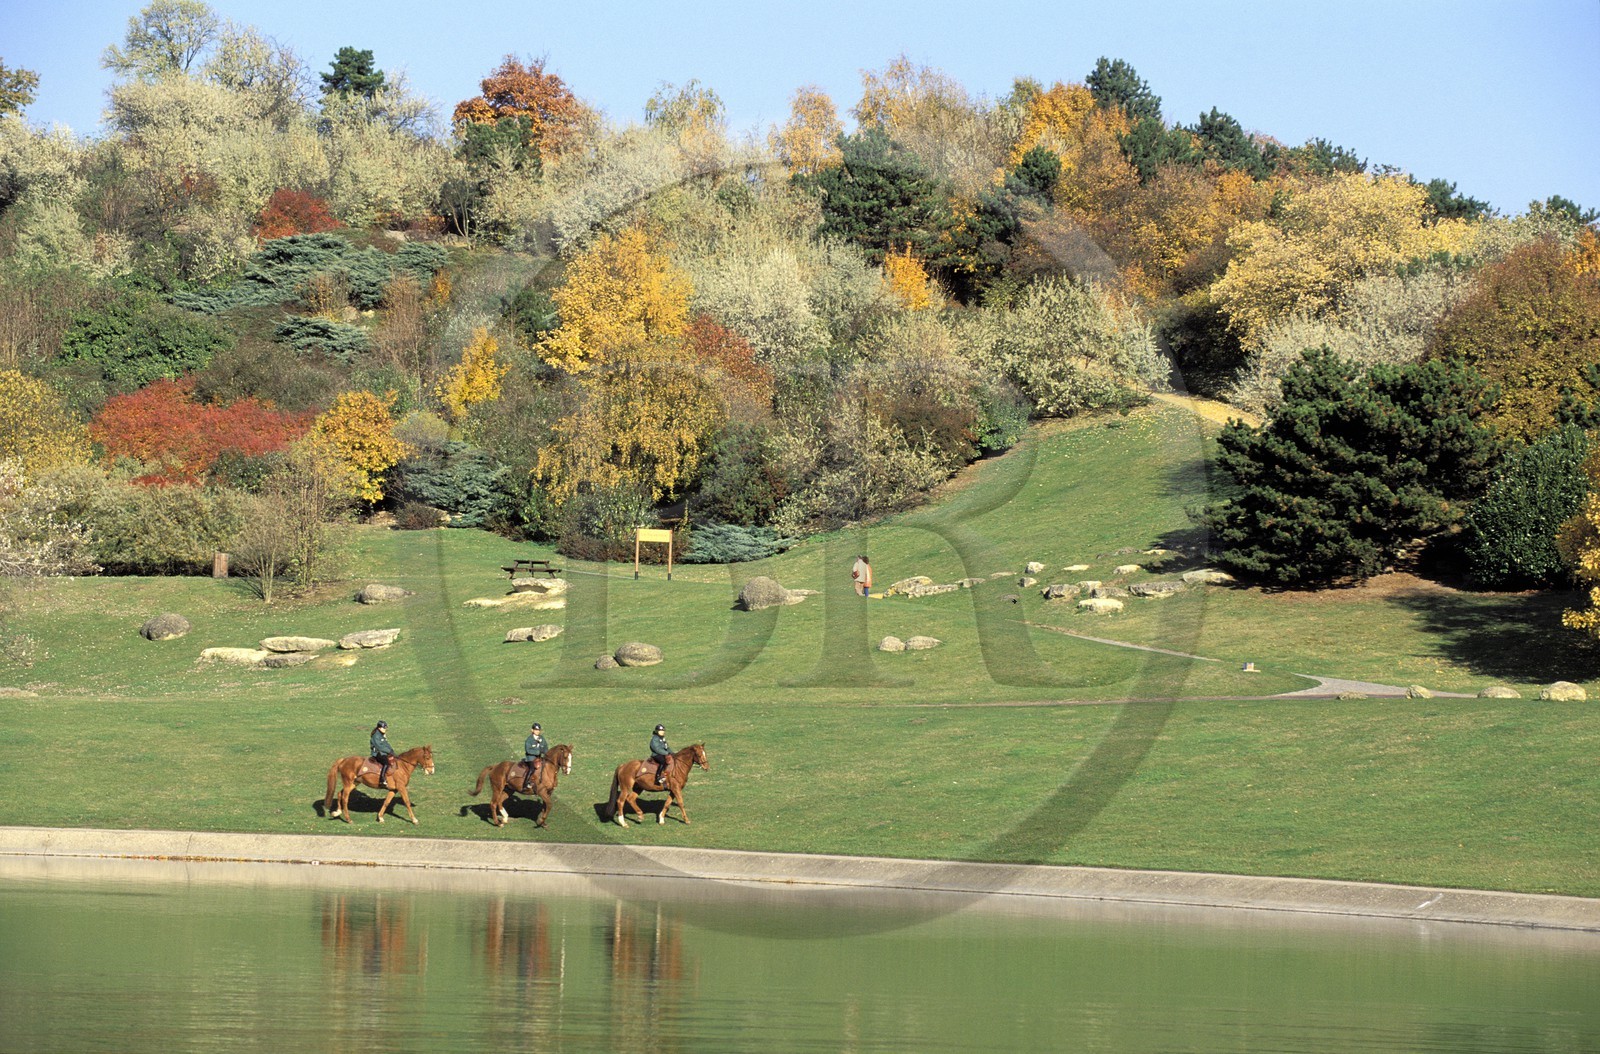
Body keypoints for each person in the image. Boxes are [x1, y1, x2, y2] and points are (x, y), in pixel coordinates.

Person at [522, 722, 547, 792]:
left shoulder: (542, 738)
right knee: (532, 769)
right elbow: (528, 750)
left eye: (538, 730)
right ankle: (525, 784)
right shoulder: (529, 740)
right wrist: (537, 752)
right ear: (532, 730)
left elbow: (545, 747)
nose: (537, 731)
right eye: (536, 730)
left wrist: (545, 753)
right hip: (531, 758)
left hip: (539, 758)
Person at [370, 720, 395, 788]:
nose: (385, 729)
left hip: (383, 752)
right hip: (377, 753)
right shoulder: (376, 736)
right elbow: (379, 747)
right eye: (384, 728)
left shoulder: (382, 735)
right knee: (386, 763)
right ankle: (382, 779)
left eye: (385, 728)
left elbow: (386, 744)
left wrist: (391, 750)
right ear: (379, 728)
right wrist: (389, 751)